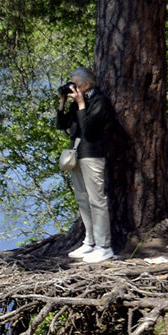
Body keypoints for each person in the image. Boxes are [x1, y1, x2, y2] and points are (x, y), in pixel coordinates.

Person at [56, 67, 115, 263]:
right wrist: (63, 103)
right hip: (77, 154)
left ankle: (104, 246)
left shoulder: (100, 101)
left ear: (87, 85)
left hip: (93, 155)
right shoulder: (77, 103)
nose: (73, 87)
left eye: (76, 84)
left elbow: (89, 130)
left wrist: (81, 104)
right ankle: (89, 242)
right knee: (82, 199)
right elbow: (61, 125)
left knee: (97, 200)